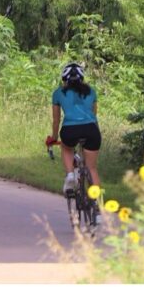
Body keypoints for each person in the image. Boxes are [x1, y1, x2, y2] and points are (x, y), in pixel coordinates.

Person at [49, 62, 101, 195]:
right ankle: (98, 208)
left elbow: (56, 121)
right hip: (91, 130)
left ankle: (70, 174)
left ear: (64, 79)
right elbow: (94, 115)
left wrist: (54, 138)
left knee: (67, 148)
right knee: (92, 168)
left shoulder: (58, 93)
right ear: (81, 78)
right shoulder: (91, 91)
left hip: (69, 130)